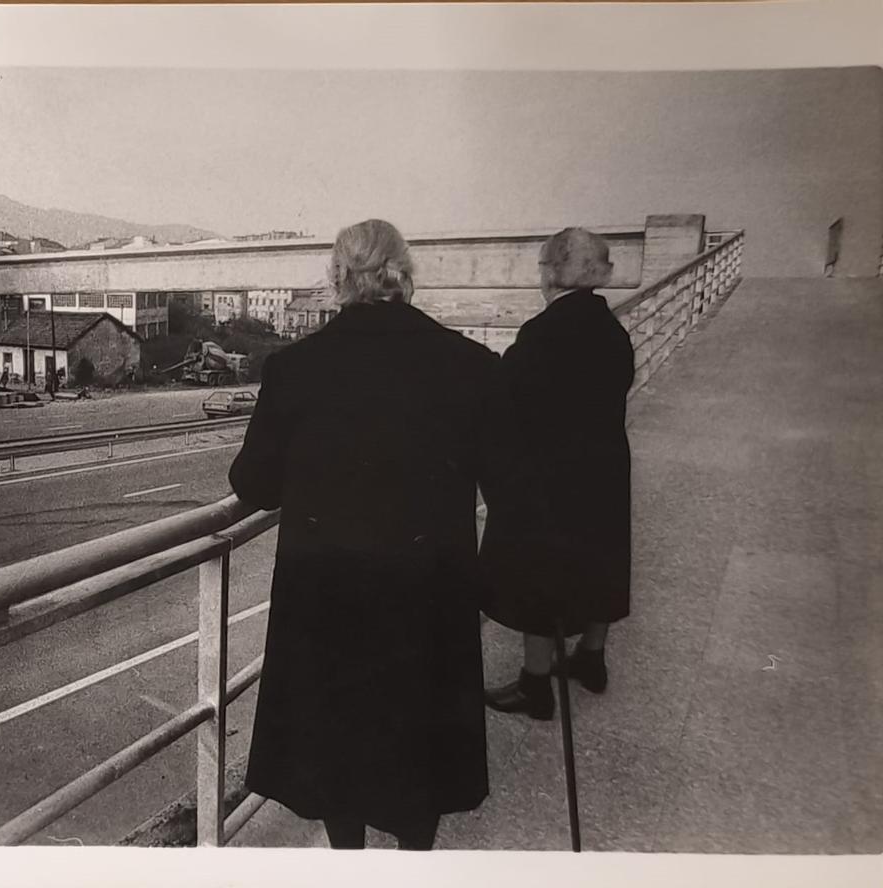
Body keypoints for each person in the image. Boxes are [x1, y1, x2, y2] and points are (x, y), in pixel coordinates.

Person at [229, 219, 513, 850]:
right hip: (427, 596)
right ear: (405, 277)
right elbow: (508, 484)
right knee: (418, 748)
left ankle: (349, 858)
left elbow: (254, 485)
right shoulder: (469, 365)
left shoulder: (294, 368)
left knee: (337, 744)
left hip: (327, 597)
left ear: (336, 280)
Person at [479, 227, 635, 720]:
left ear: (552, 272)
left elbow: (506, 398)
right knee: (601, 557)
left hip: (552, 476)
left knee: (540, 574)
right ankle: (591, 658)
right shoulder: (614, 332)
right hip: (606, 465)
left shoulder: (542, 334)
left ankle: (535, 685)